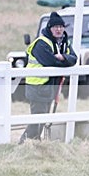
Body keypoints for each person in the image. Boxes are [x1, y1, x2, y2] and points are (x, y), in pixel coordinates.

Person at [19, 11, 77, 143]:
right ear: (49, 29)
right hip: (37, 86)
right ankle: (24, 144)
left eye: (61, 27)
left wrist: (63, 57)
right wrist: (64, 61)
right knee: (36, 121)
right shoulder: (41, 43)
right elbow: (50, 61)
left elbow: (74, 59)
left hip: (49, 87)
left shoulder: (64, 43)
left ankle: (32, 144)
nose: (58, 29)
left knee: (42, 119)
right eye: (55, 27)